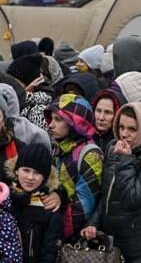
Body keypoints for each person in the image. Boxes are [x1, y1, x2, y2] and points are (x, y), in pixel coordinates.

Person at [82, 102, 141, 262]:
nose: (124, 134)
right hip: (116, 243)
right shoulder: (114, 147)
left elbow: (133, 197)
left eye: (132, 129)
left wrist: (124, 159)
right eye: (121, 127)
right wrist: (94, 223)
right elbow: (108, 193)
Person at [44, 94, 103, 241]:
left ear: (75, 123)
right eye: (51, 118)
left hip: (72, 238)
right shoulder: (58, 148)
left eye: (58, 119)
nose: (51, 125)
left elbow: (82, 209)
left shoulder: (91, 155)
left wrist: (53, 235)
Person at [8, 143, 63, 263]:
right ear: (16, 170)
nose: (30, 177)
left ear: (45, 177)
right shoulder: (4, 199)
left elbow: (49, 252)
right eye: (26, 170)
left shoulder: (49, 208)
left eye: (37, 173)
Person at [91, 87, 127, 152]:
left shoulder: (123, 146)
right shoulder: (84, 138)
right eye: (98, 111)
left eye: (108, 112)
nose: (101, 118)